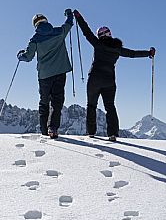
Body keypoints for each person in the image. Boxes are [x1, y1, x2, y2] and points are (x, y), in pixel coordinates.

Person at [73, 9, 156, 142]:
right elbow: (133, 54)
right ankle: (112, 134)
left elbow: (86, 31)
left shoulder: (97, 44)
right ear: (110, 34)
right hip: (109, 81)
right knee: (110, 106)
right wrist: (148, 53)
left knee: (91, 105)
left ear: (100, 35)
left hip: (94, 79)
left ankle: (91, 133)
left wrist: (78, 17)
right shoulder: (117, 49)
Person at [17, 10, 73, 138]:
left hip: (44, 75)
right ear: (46, 21)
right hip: (60, 72)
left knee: (44, 102)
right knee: (57, 102)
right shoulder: (59, 32)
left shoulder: (35, 39)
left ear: (35, 25)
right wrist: (69, 14)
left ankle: (43, 131)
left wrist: (20, 55)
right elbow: (69, 24)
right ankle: (53, 128)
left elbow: (28, 57)